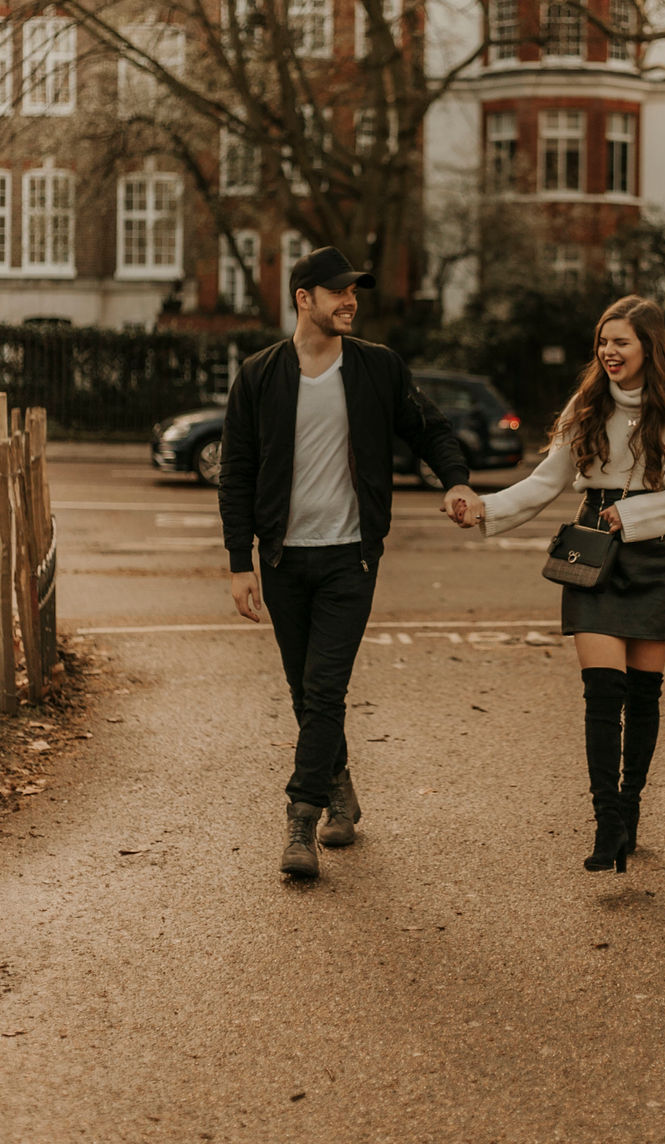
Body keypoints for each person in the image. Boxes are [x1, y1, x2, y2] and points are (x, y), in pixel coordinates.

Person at [219, 245, 481, 879]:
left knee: (324, 689)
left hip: (349, 559)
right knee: (304, 693)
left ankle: (300, 821)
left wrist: (456, 480)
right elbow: (238, 472)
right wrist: (238, 561)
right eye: (338, 291)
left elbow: (430, 428)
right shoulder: (259, 374)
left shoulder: (376, 368)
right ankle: (341, 793)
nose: (351, 300)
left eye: (355, 291)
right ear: (303, 298)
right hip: (282, 558)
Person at [451, 295, 665, 874]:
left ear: (649, 346)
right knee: (602, 693)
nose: (609, 352)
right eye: (603, 341)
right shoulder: (586, 404)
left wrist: (637, 517)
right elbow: (545, 482)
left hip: (659, 552)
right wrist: (484, 510)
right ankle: (606, 823)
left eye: (621, 341)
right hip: (591, 551)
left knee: (644, 696)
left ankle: (630, 808)